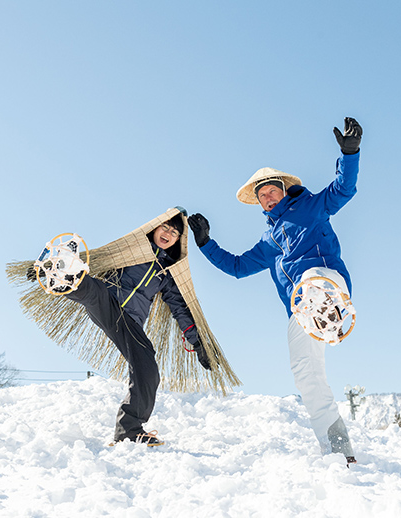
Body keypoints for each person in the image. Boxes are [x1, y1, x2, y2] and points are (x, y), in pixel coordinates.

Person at [188, 117, 363, 465]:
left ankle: (330, 308)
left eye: (272, 191)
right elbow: (237, 267)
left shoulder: (311, 206)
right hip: (300, 312)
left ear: (284, 189)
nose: (268, 198)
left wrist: (350, 153)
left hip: (325, 283)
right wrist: (205, 243)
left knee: (310, 279)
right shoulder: (269, 242)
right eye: (262, 196)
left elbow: (343, 190)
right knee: (306, 376)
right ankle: (338, 450)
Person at [31, 213, 211, 446]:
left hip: (130, 322)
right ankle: (59, 277)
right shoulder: (133, 248)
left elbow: (180, 309)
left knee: (148, 368)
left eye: (174, 233)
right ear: (155, 229)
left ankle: (129, 429)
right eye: (165, 228)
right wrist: (46, 269)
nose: (168, 234)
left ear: (178, 241)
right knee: (90, 289)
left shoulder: (167, 273)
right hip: (108, 299)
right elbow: (96, 260)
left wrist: (196, 342)